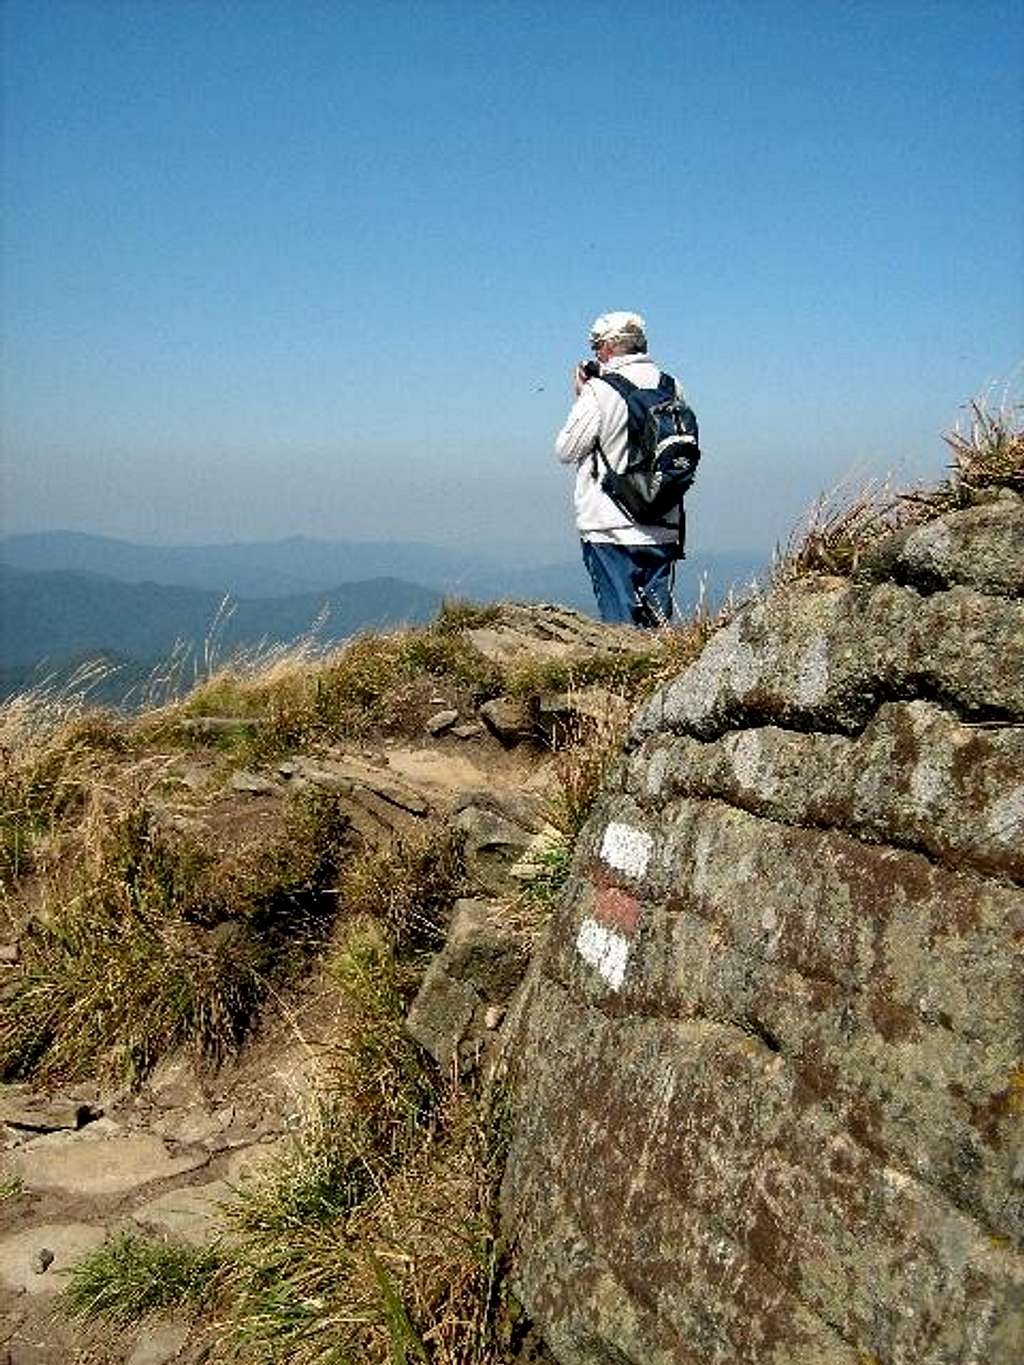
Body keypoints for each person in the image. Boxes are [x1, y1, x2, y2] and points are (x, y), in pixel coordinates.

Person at [555, 311, 691, 626]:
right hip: (663, 523)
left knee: (620, 630)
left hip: (609, 525)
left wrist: (582, 396)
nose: (595, 354)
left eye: (596, 346)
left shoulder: (600, 391)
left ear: (611, 346)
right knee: (657, 629)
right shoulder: (672, 386)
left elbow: (566, 449)